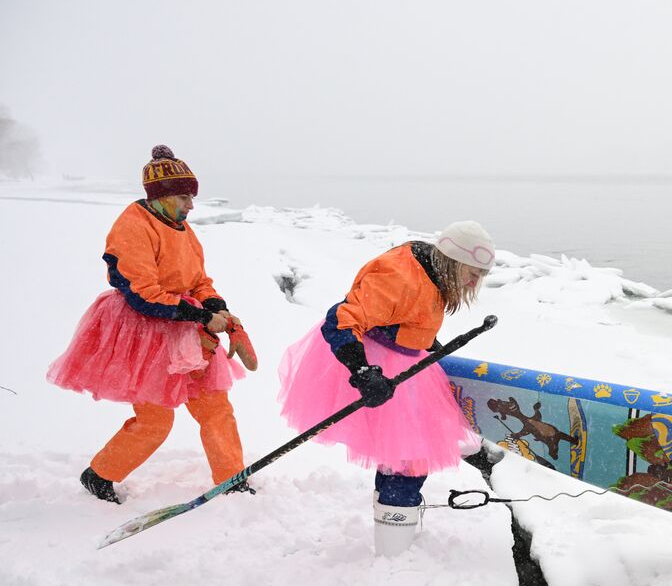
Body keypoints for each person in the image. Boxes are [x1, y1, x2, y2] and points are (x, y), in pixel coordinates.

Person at [48, 145, 254, 503]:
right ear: (159, 196)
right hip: (145, 332)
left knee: (215, 406)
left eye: (191, 196)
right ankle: (99, 475)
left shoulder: (182, 228)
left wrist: (217, 306)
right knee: (156, 420)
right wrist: (203, 316)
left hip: (187, 330)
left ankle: (231, 480)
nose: (191, 205)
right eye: (183, 196)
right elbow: (143, 296)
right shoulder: (132, 227)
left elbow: (198, 280)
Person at [277, 221, 493, 556]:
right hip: (374, 362)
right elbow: (340, 320)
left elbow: (405, 317)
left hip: (405, 361)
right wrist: (362, 371)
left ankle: (395, 528)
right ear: (454, 262)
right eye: (472, 273)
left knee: (403, 456)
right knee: (409, 458)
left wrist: (426, 343)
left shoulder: (433, 271)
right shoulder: (400, 276)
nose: (473, 282)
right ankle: (393, 548)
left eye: (480, 276)